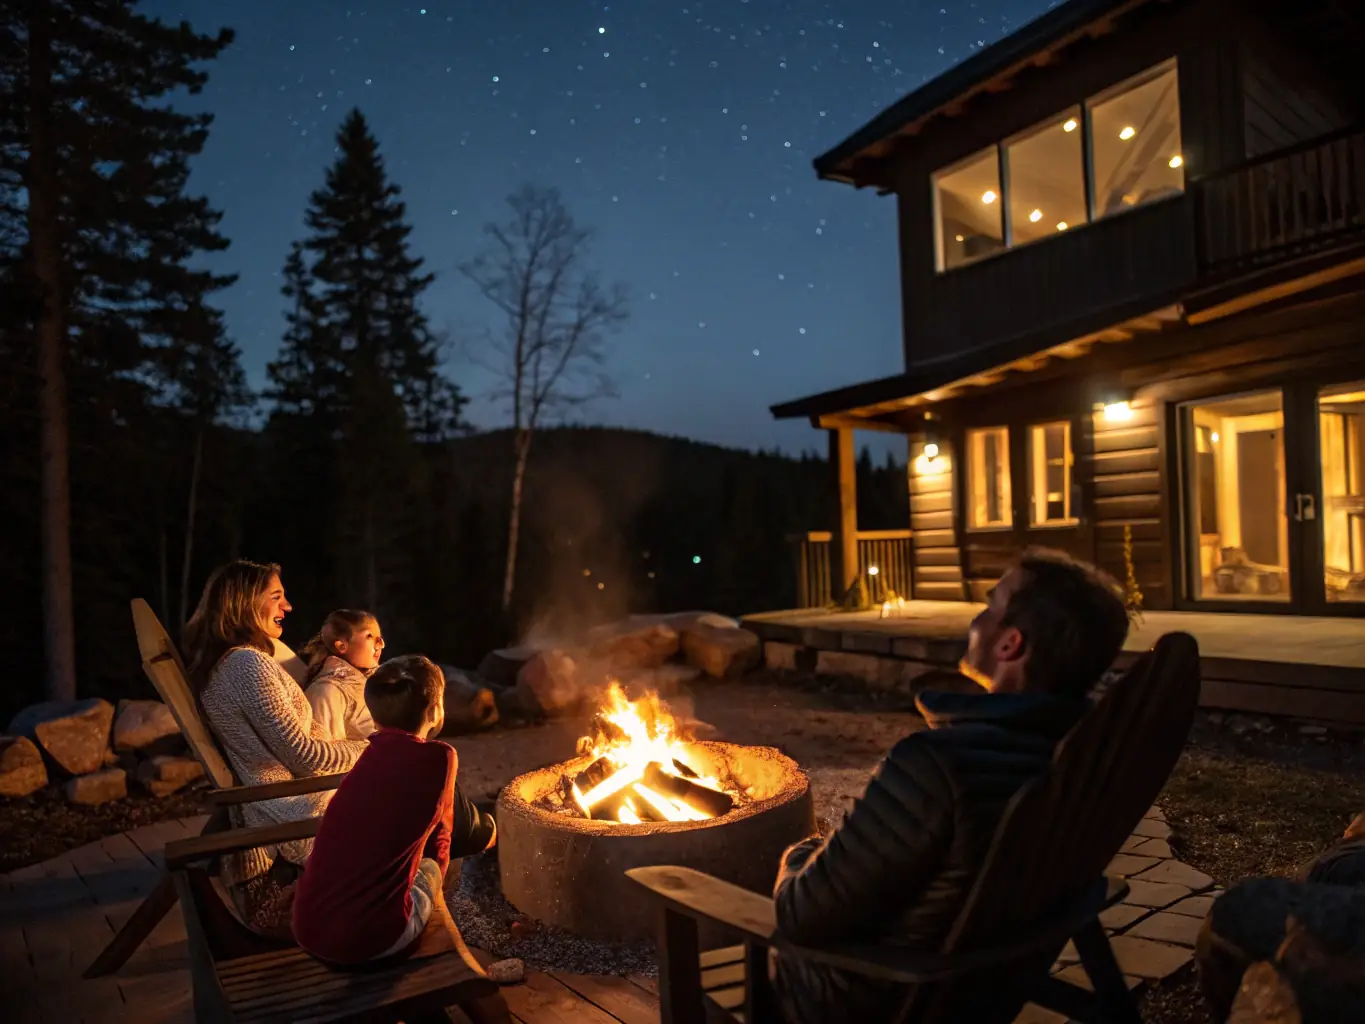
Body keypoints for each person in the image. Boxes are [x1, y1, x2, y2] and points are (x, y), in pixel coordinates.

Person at [770, 549, 1131, 1024]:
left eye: (990, 605)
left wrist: (802, 852)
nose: (977, 620)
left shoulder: (937, 766)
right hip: (987, 986)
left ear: (1010, 645)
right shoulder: (1077, 760)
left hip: (860, 1000)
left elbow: (802, 913)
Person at [182, 560, 368, 937]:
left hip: (285, 804)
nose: (288, 607)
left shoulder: (232, 664)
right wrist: (372, 747)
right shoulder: (247, 666)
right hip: (289, 819)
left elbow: (307, 739)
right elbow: (306, 755)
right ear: (246, 603)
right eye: (277, 597)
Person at [291, 655, 498, 964]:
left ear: (375, 717)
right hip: (371, 940)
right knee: (430, 869)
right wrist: (433, 875)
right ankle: (446, 953)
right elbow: (443, 836)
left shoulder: (365, 757)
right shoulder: (440, 756)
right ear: (435, 710)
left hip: (307, 928)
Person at [301, 609, 385, 741]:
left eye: (379, 636)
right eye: (369, 636)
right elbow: (326, 754)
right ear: (341, 646)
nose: (381, 644)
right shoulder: (327, 692)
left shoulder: (376, 685)